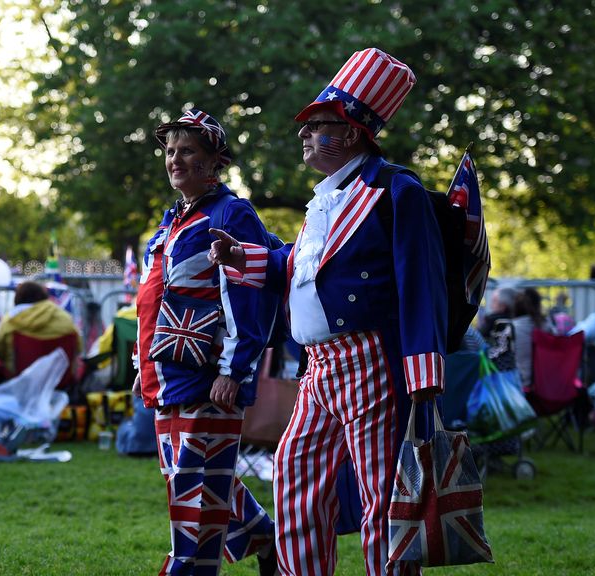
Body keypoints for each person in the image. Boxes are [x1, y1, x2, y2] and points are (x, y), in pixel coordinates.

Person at [209, 48, 446, 576]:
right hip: (317, 366)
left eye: (319, 125)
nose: (305, 133)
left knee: (382, 494)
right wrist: (241, 256)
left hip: (371, 360)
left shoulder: (395, 189)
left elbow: (421, 281)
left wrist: (424, 370)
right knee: (294, 475)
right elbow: (298, 268)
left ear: (353, 132)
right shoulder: (323, 198)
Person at [136, 108, 277, 575]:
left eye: (187, 150)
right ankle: (264, 538)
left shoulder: (232, 213)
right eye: (170, 151)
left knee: (194, 492)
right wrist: (143, 365)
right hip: (166, 373)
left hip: (208, 374)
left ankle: (188, 569)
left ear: (215, 160)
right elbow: (153, 298)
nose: (175, 159)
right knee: (191, 480)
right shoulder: (170, 220)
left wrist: (234, 370)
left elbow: (251, 294)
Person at [0, 281, 82, 381]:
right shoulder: (66, 319)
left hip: (20, 380)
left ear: (17, 299)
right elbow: (78, 348)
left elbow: (0, 351)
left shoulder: (9, 321)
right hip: (61, 380)